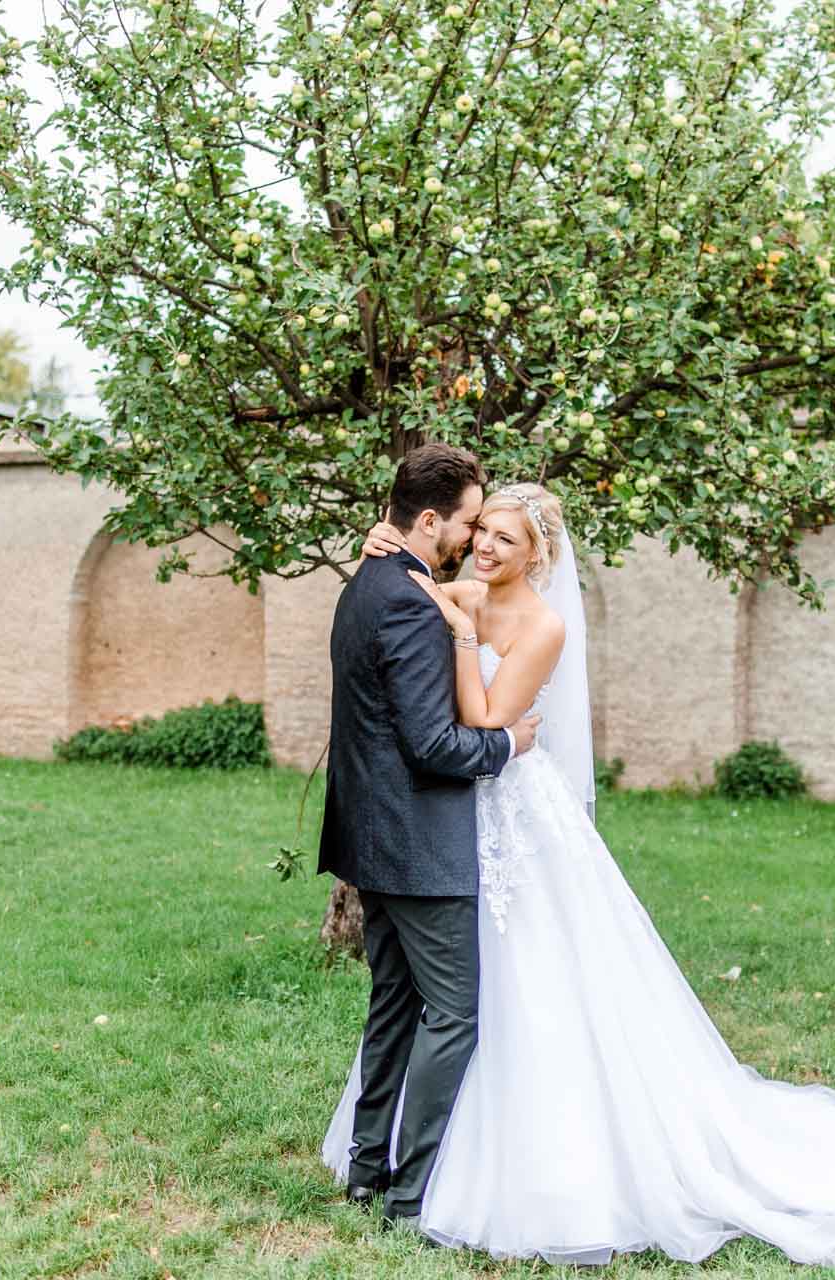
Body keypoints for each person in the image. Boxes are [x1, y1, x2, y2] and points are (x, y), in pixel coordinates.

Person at [322, 481, 835, 1266]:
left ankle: (452, 1177)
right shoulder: (456, 587)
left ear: (539, 554)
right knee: (446, 998)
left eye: (505, 538)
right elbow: (413, 566)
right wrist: (382, 539)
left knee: (519, 984)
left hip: (505, 804)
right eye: (482, 532)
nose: (485, 546)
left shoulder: (540, 625)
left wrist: (466, 637)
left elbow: (482, 720)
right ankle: (405, 1169)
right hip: (453, 818)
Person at [316, 443, 540, 1229]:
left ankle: (366, 1172)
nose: (473, 540)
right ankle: (409, 1194)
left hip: (370, 839)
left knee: (393, 1007)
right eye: (468, 523)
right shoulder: (411, 602)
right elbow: (435, 745)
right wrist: (510, 746)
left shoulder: (369, 581)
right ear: (431, 518)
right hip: (416, 842)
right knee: (453, 1015)